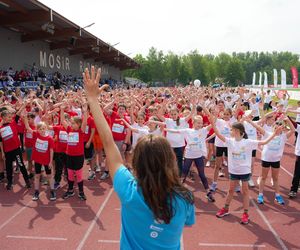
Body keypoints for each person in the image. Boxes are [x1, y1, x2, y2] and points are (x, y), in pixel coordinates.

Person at [83, 66, 195, 249]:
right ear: (172, 161)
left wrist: (92, 100)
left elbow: (108, 142)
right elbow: (187, 223)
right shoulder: (185, 197)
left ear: (136, 162)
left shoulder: (129, 190)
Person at [212, 120, 282, 225]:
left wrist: (274, 135)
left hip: (244, 171)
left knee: (245, 191)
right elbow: (218, 134)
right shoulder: (229, 141)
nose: (230, 131)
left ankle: (245, 214)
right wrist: (213, 123)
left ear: (238, 131)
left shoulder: (248, 142)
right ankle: (225, 209)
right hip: (234, 171)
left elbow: (263, 142)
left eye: (232, 129)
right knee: (231, 190)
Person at [256, 117, 295, 204]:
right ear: (273, 127)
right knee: (263, 177)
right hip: (266, 159)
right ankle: (260, 194)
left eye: (280, 126)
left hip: (276, 160)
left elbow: (293, 130)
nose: (278, 127)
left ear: (283, 128)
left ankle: (277, 195)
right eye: (276, 125)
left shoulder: (284, 136)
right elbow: (258, 127)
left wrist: (287, 120)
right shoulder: (268, 133)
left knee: (275, 178)